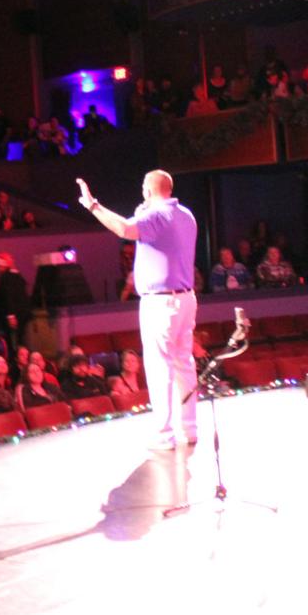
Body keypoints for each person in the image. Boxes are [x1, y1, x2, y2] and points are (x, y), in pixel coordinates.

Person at [77, 170, 198, 449]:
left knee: (159, 367)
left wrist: (93, 205)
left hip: (161, 302)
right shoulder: (186, 215)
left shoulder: (156, 216)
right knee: (184, 364)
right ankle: (189, 429)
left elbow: (124, 229)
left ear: (148, 190)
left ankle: (164, 435)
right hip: (186, 298)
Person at [0, 252, 31, 356]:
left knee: (13, 340)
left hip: (13, 315)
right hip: (21, 314)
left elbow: (8, 296)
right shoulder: (16, 276)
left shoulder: (6, 277)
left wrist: (11, 315)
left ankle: (15, 357)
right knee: (19, 338)